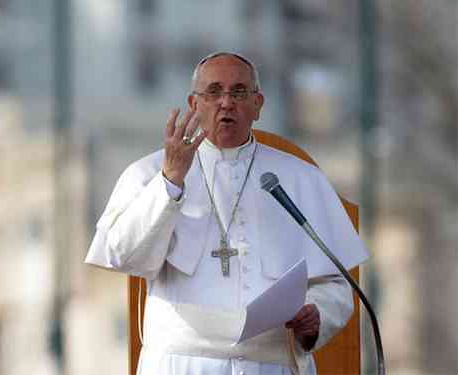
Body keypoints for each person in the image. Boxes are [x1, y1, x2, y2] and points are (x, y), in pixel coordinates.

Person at [85, 52, 369, 375]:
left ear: (258, 104)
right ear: (194, 104)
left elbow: (339, 285)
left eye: (238, 92)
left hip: (272, 366)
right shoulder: (148, 173)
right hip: (182, 365)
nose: (226, 102)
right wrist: (170, 182)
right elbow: (122, 254)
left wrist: (318, 314)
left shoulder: (301, 179)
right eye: (214, 92)